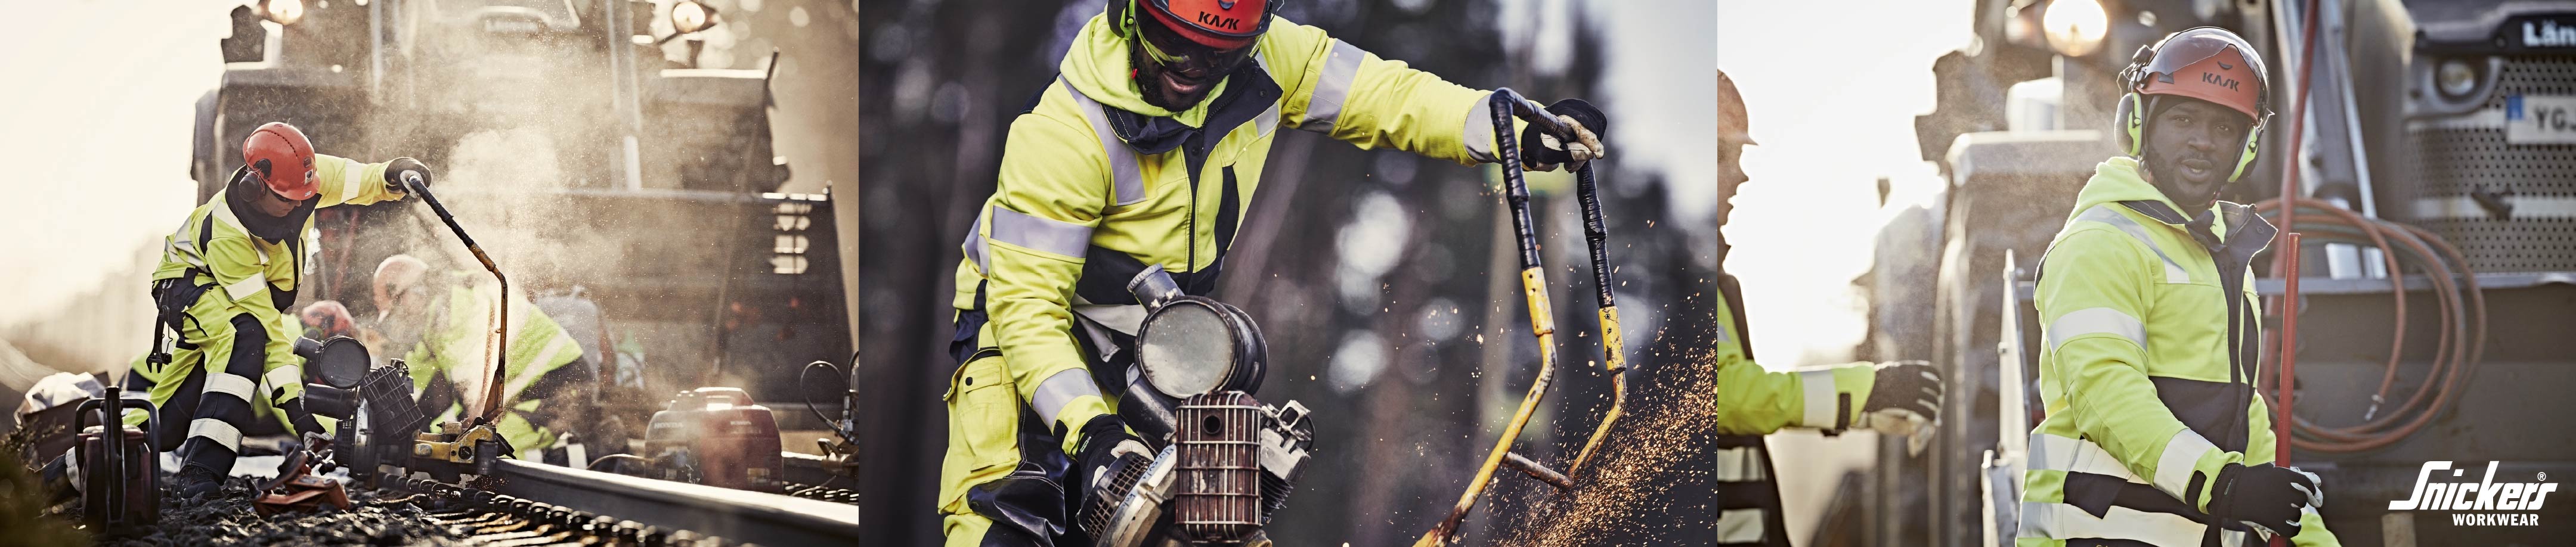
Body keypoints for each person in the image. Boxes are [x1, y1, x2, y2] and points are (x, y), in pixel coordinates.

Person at [938, 0, 1608, 543]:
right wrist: (1093, 433)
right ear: (1130, 13)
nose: (1193, 70)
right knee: (1002, 528)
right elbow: (1028, 310)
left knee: (1182, 528)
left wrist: (1506, 130)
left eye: (1218, 55)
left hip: (1162, 349)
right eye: (1175, 47)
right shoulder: (1063, 133)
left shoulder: (1272, 57)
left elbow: (1384, 95)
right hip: (1024, 342)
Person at [2020, 27, 2339, 546]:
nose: (2202, 140)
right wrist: (2225, 485)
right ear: (2139, 125)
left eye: (2224, 127)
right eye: (2183, 118)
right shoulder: (2100, 243)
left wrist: (2313, 540)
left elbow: (2245, 416)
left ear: (2246, 149)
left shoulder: (2221, 259)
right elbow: (2105, 394)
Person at [1699, 70, 1949, 547]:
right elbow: (1723, 398)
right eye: (1726, 156)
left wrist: (1865, 409)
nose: (1741, 174)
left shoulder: (1705, 278)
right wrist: (1865, 390)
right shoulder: (1675, 282)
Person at [128, 122, 429, 498]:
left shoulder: (302, 181)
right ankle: (200, 473)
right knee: (245, 334)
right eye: (289, 198)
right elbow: (267, 329)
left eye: (306, 193)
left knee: (169, 423)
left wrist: (392, 176)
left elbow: (357, 179)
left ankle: (73, 470)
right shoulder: (230, 235)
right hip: (187, 286)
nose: (301, 203)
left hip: (222, 300)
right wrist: (300, 416)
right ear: (255, 187)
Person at [367, 254, 593, 464]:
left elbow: (475, 396)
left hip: (560, 382)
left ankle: (557, 483)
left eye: (398, 307)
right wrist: (375, 412)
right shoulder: (434, 321)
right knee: (469, 446)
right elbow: (411, 382)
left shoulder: (459, 308)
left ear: (416, 291)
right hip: (524, 386)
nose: (400, 318)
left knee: (493, 451)